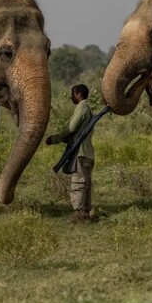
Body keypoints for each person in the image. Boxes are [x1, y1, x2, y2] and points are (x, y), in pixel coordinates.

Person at [45, 84, 96, 221]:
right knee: (86, 185)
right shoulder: (88, 109)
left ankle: (78, 213)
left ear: (79, 94)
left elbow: (71, 127)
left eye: (72, 94)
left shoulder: (82, 108)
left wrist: (56, 138)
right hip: (88, 154)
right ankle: (86, 212)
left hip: (81, 154)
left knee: (78, 184)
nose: (71, 97)